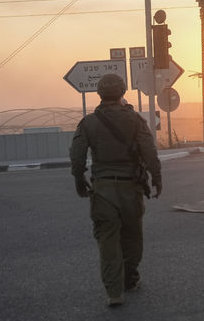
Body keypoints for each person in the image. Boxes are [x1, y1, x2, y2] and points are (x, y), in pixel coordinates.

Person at [70, 74, 162, 307]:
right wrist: (157, 178)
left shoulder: (88, 123)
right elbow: (150, 153)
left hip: (102, 191)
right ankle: (129, 280)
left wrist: (79, 181)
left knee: (108, 241)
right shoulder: (135, 120)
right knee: (132, 236)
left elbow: (77, 157)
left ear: (99, 94)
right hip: (130, 188)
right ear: (122, 93)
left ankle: (114, 292)